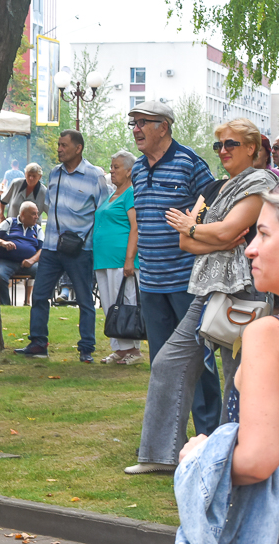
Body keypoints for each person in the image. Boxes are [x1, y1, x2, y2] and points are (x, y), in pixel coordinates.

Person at [126, 118, 277, 474]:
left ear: (252, 148)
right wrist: (207, 234)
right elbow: (189, 242)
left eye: (231, 145)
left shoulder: (262, 183)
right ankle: (160, 456)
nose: (223, 151)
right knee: (168, 364)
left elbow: (226, 230)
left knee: (238, 375)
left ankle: (233, 456)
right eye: (219, 146)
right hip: (207, 289)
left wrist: (197, 228)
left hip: (245, 291)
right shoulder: (213, 186)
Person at [174, 190, 279, 538]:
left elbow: (255, 461)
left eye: (263, 234)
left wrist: (200, 454)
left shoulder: (267, 334)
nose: (250, 248)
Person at [129, 100, 220, 436]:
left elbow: (216, 206)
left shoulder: (189, 163)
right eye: (133, 123)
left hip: (187, 282)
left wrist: (191, 226)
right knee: (162, 364)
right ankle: (168, 440)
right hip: (151, 282)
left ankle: (209, 434)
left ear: (163, 126)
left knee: (197, 361)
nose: (136, 129)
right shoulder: (137, 169)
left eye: (142, 122)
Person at [14, 130, 109, 362]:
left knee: (85, 300)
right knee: (39, 296)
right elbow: (50, 206)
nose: (59, 149)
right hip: (51, 247)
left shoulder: (95, 175)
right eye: (58, 144)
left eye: (64, 145)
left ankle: (86, 348)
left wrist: (89, 242)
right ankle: (38, 343)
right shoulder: (55, 173)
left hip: (80, 250)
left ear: (78, 148)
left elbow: (102, 212)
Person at [94, 151, 142, 365]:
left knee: (125, 302)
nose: (112, 171)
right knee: (110, 304)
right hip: (103, 259)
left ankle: (133, 349)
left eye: (116, 167)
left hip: (121, 258)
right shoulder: (111, 194)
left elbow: (135, 227)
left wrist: (130, 259)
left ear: (129, 171)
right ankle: (119, 349)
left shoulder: (130, 193)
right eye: (111, 167)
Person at [0, 202, 42, 307]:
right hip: (7, 261)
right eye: (33, 214)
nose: (36, 217)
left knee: (45, 272)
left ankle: (39, 305)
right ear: (23, 214)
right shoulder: (10, 223)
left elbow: (42, 249)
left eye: (37, 214)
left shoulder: (37, 229)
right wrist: (3, 242)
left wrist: (32, 260)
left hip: (29, 263)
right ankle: (5, 306)